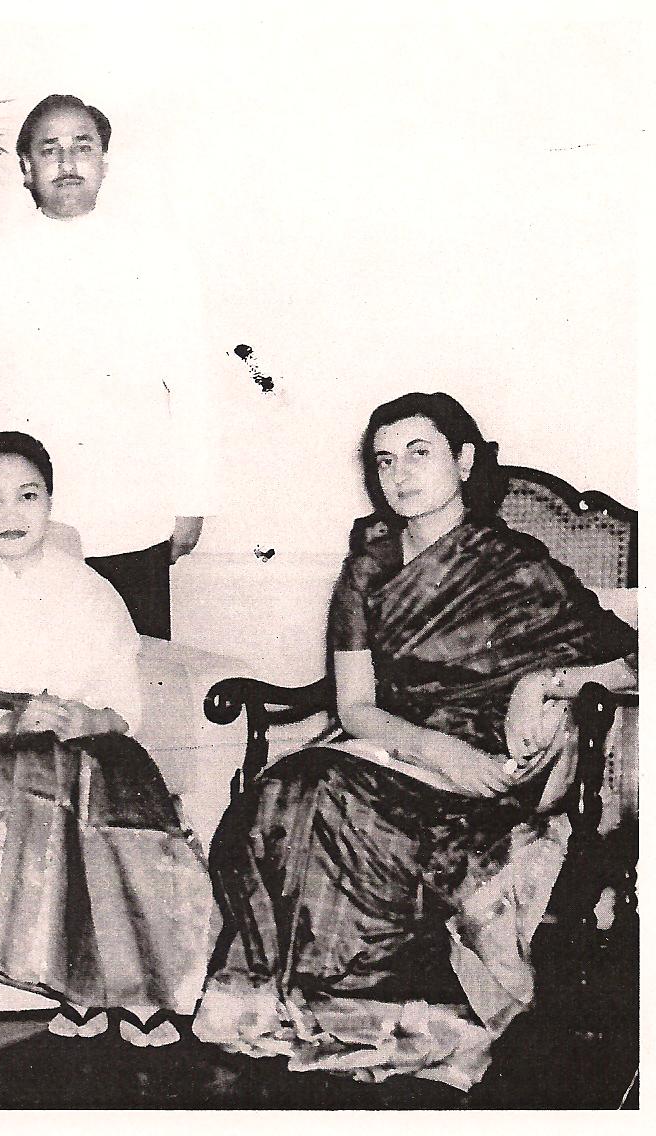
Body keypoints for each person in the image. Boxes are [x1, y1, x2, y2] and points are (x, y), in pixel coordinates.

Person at [194, 392, 638, 1090]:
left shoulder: (518, 564)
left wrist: (544, 683)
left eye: (419, 453)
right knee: (291, 791)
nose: (399, 474)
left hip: (499, 768)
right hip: (395, 750)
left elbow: (633, 659)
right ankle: (318, 1010)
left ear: (463, 461)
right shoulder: (367, 566)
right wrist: (435, 750)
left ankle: (391, 1015)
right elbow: (357, 707)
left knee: (329, 797)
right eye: (385, 460)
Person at [0, 431, 214, 1047]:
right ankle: (100, 988)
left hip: (93, 751)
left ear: (51, 502)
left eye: (28, 495)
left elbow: (128, 705)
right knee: (50, 775)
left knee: (112, 776)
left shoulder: (91, 589)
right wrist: (18, 719)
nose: (11, 514)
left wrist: (84, 717)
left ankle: (128, 993)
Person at [0, 94, 217, 639]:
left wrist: (192, 499)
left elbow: (193, 388)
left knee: (134, 677)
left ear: (104, 162)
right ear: (26, 168)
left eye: (82, 147)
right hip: (24, 522)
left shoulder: (160, 260)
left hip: (133, 512)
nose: (67, 163)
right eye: (50, 149)